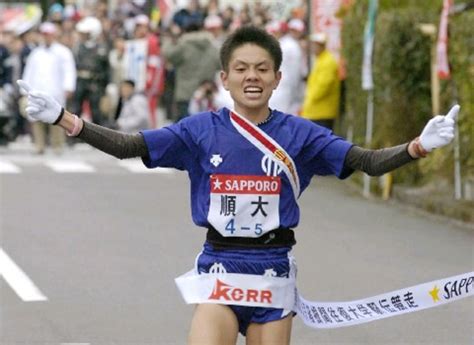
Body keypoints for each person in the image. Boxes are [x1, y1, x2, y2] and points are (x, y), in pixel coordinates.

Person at [17, 26, 459, 345]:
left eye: (263, 69)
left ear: (277, 78)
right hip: (221, 270)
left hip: (274, 273)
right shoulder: (199, 130)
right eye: (242, 69)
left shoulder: (301, 135)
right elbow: (129, 145)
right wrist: (64, 119)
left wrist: (418, 146)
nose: (253, 76)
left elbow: (365, 161)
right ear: (224, 79)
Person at [21, 22, 76, 154]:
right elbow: (29, 72)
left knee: (57, 118)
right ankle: (39, 146)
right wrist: (24, 90)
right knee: (36, 118)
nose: (46, 38)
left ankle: (57, 146)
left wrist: (68, 87)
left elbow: (69, 71)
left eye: (49, 35)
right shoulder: (36, 53)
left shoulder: (63, 52)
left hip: (56, 91)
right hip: (38, 90)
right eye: (44, 35)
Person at [301, 32, 340, 130]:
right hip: (317, 111)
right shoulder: (322, 59)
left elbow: (323, 85)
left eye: (315, 44)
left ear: (321, 45)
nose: (312, 47)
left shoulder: (327, 61)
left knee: (321, 143)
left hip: (322, 112)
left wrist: (311, 98)